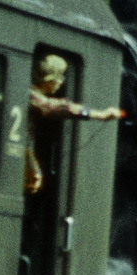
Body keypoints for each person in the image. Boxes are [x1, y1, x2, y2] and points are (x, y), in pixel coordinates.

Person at [24, 53, 124, 193]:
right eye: (59, 76)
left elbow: (25, 142)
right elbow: (52, 106)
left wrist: (33, 168)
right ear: (48, 78)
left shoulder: (27, 95)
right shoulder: (28, 94)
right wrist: (99, 114)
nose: (61, 81)